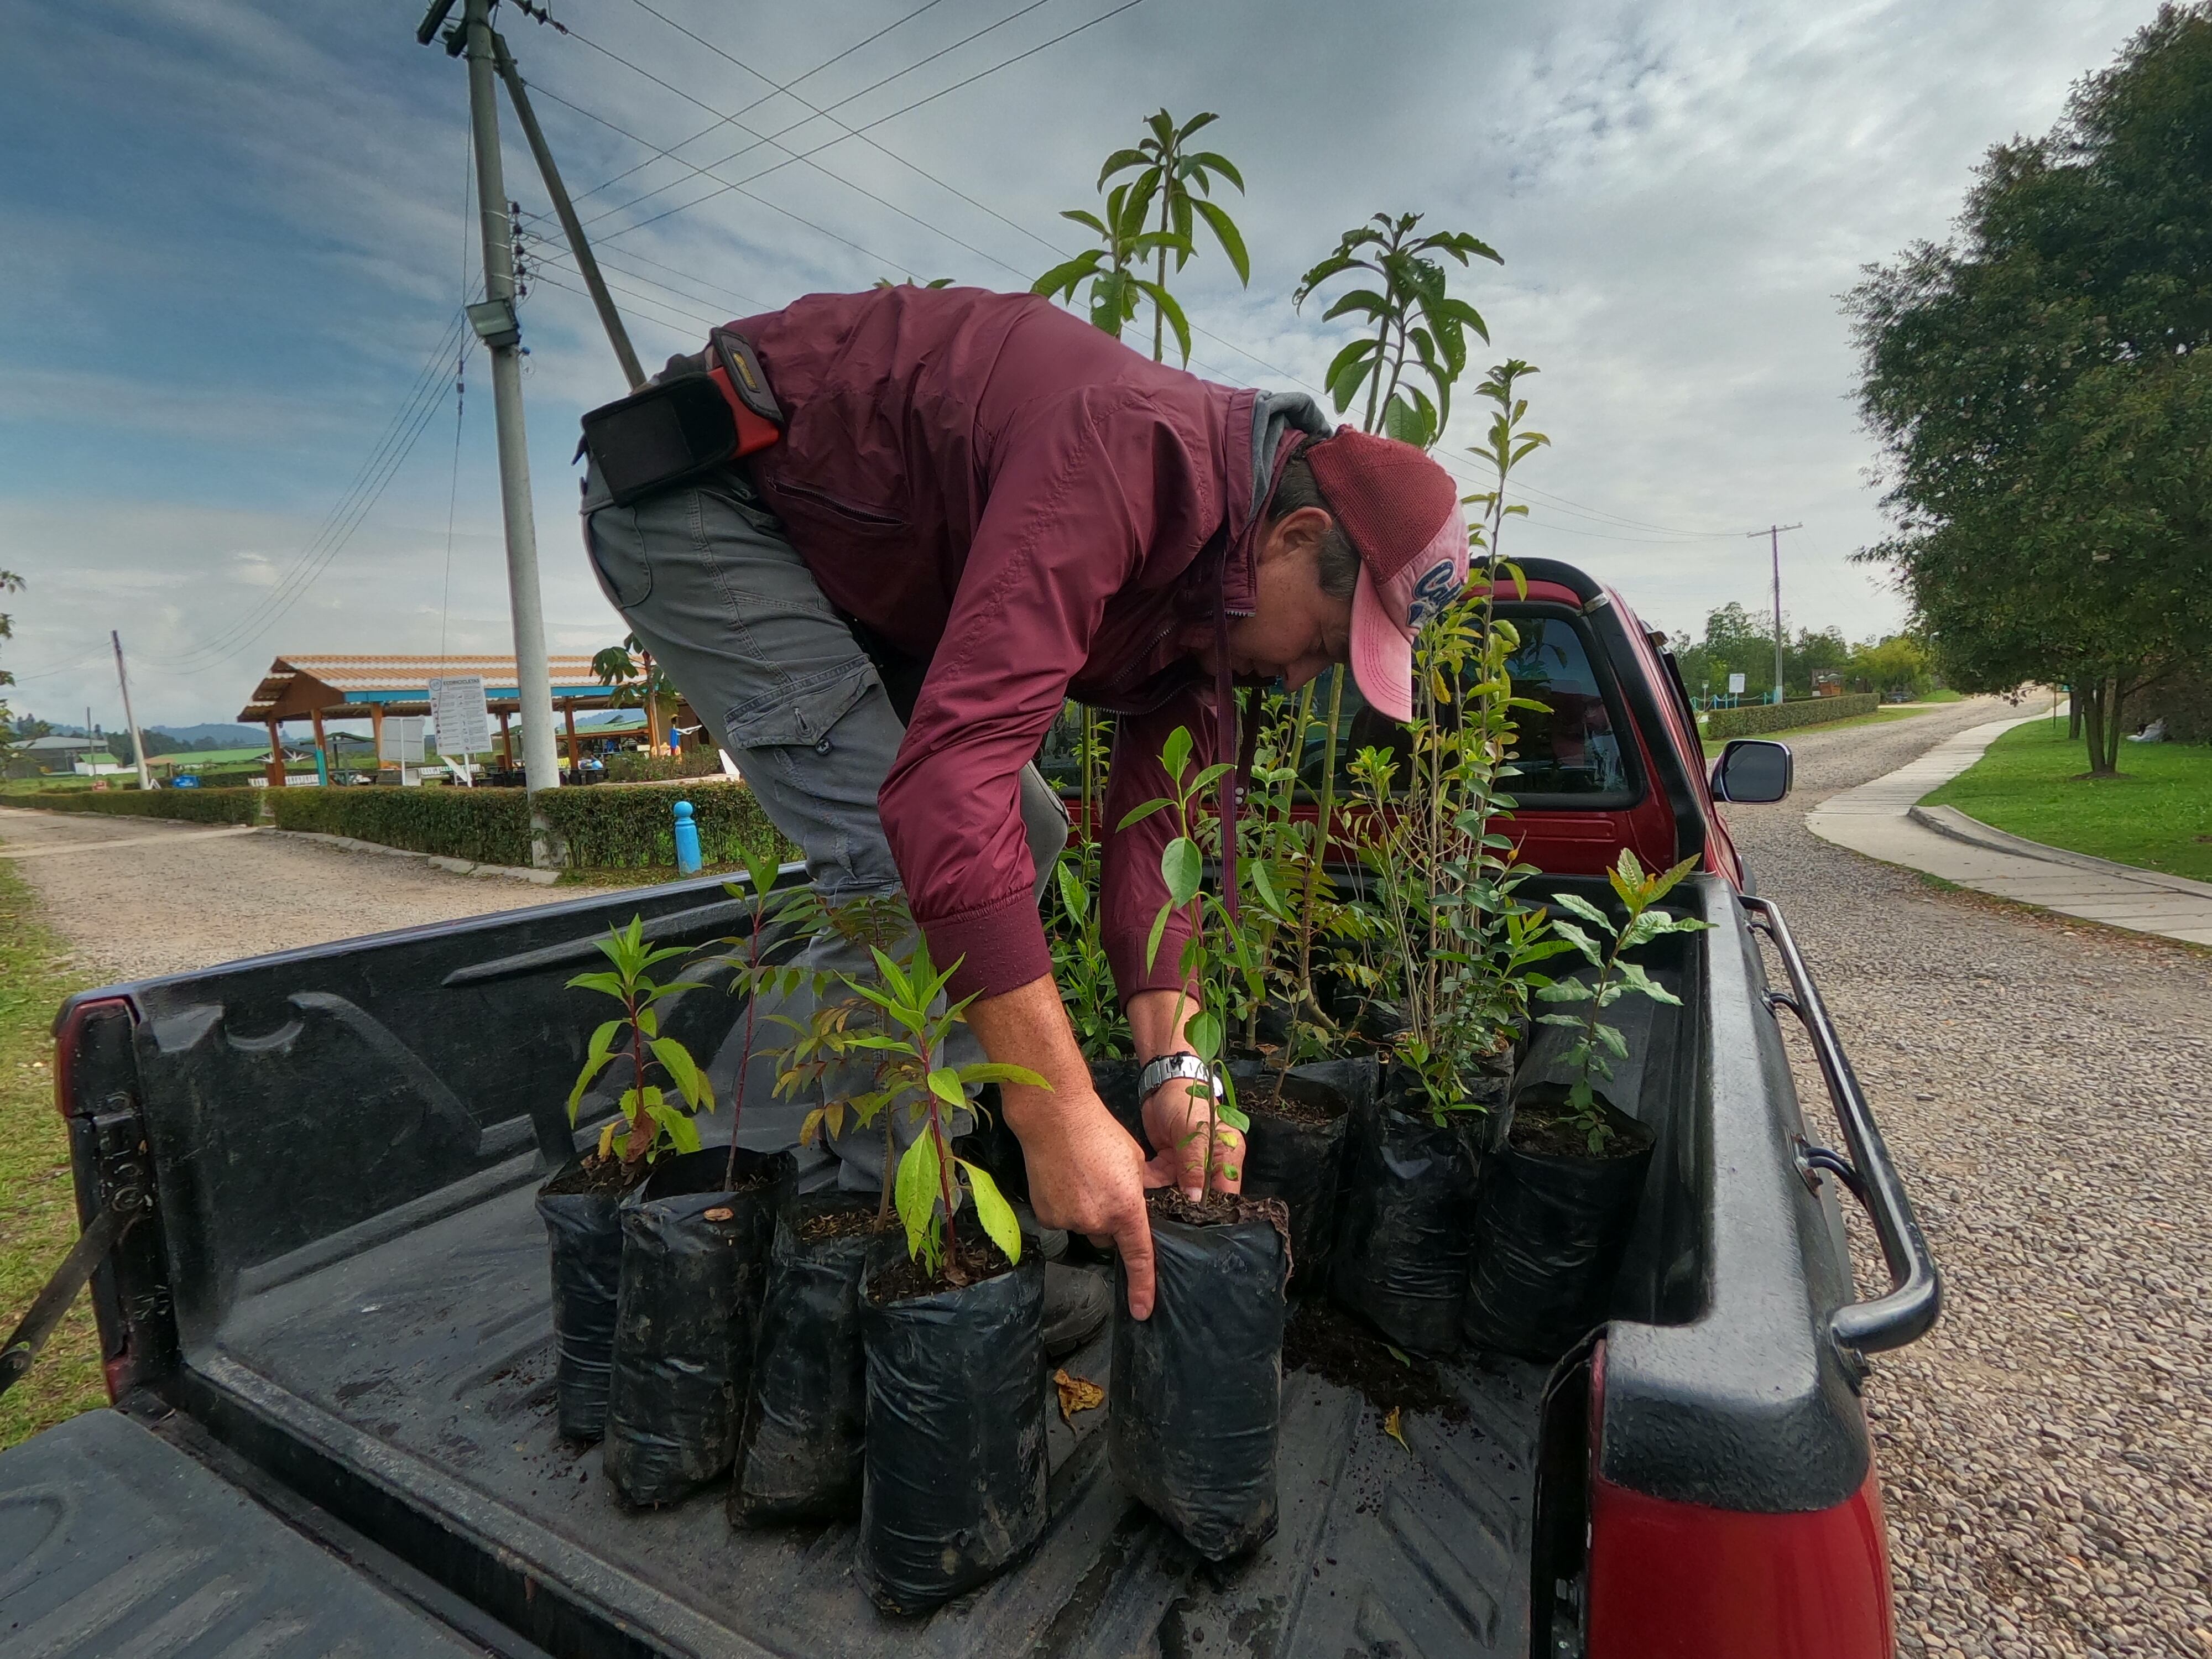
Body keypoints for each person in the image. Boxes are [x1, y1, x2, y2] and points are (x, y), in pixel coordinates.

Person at [580, 285, 1465, 1345]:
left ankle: (818, 1119)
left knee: (1026, 835)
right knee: (896, 854)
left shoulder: (1220, 599)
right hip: (706, 497)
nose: (1310, 676)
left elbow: (1159, 839)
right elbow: (946, 793)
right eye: (1326, 642)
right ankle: (910, 1237)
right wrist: (1051, 1108)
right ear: (1299, 534)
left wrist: (1173, 1070)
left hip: (853, 567)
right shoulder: (1128, 453)